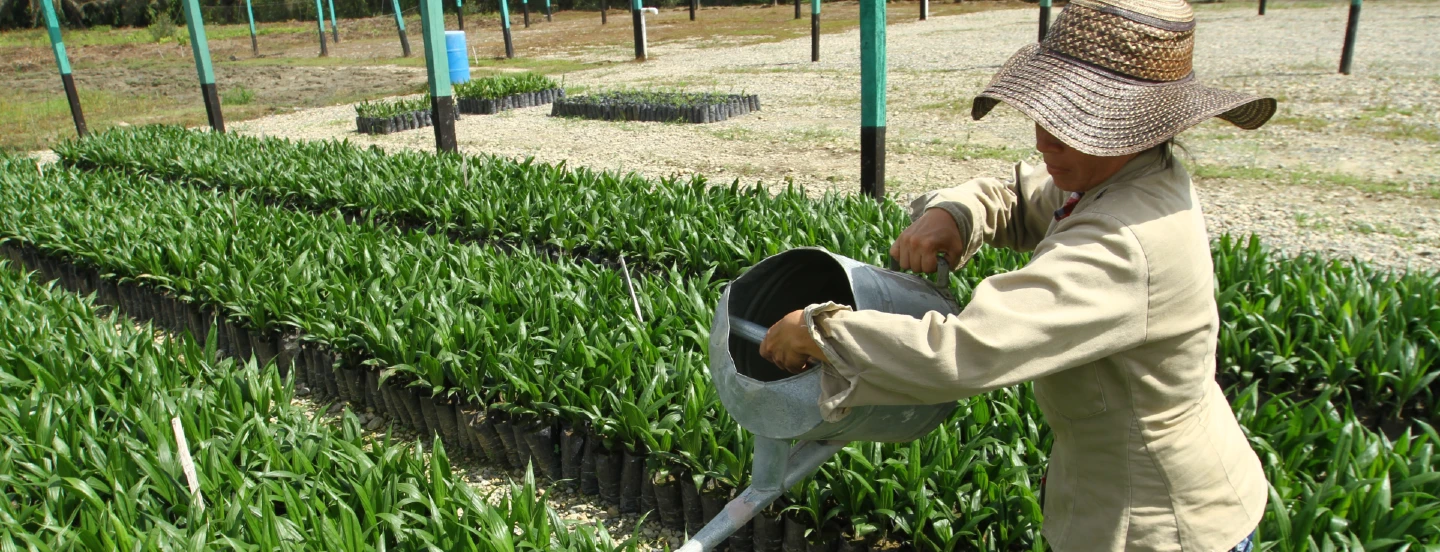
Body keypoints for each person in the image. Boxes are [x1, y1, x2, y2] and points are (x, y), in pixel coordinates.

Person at [758, 0, 1276, 550]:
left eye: (1073, 124)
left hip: (1157, 524)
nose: (1043, 140)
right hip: (1129, 491)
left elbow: (968, 349)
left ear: (1137, 126)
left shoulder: (1124, 241)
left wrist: (822, 333)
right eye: (1047, 114)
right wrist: (954, 215)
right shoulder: (1131, 174)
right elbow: (1024, 193)